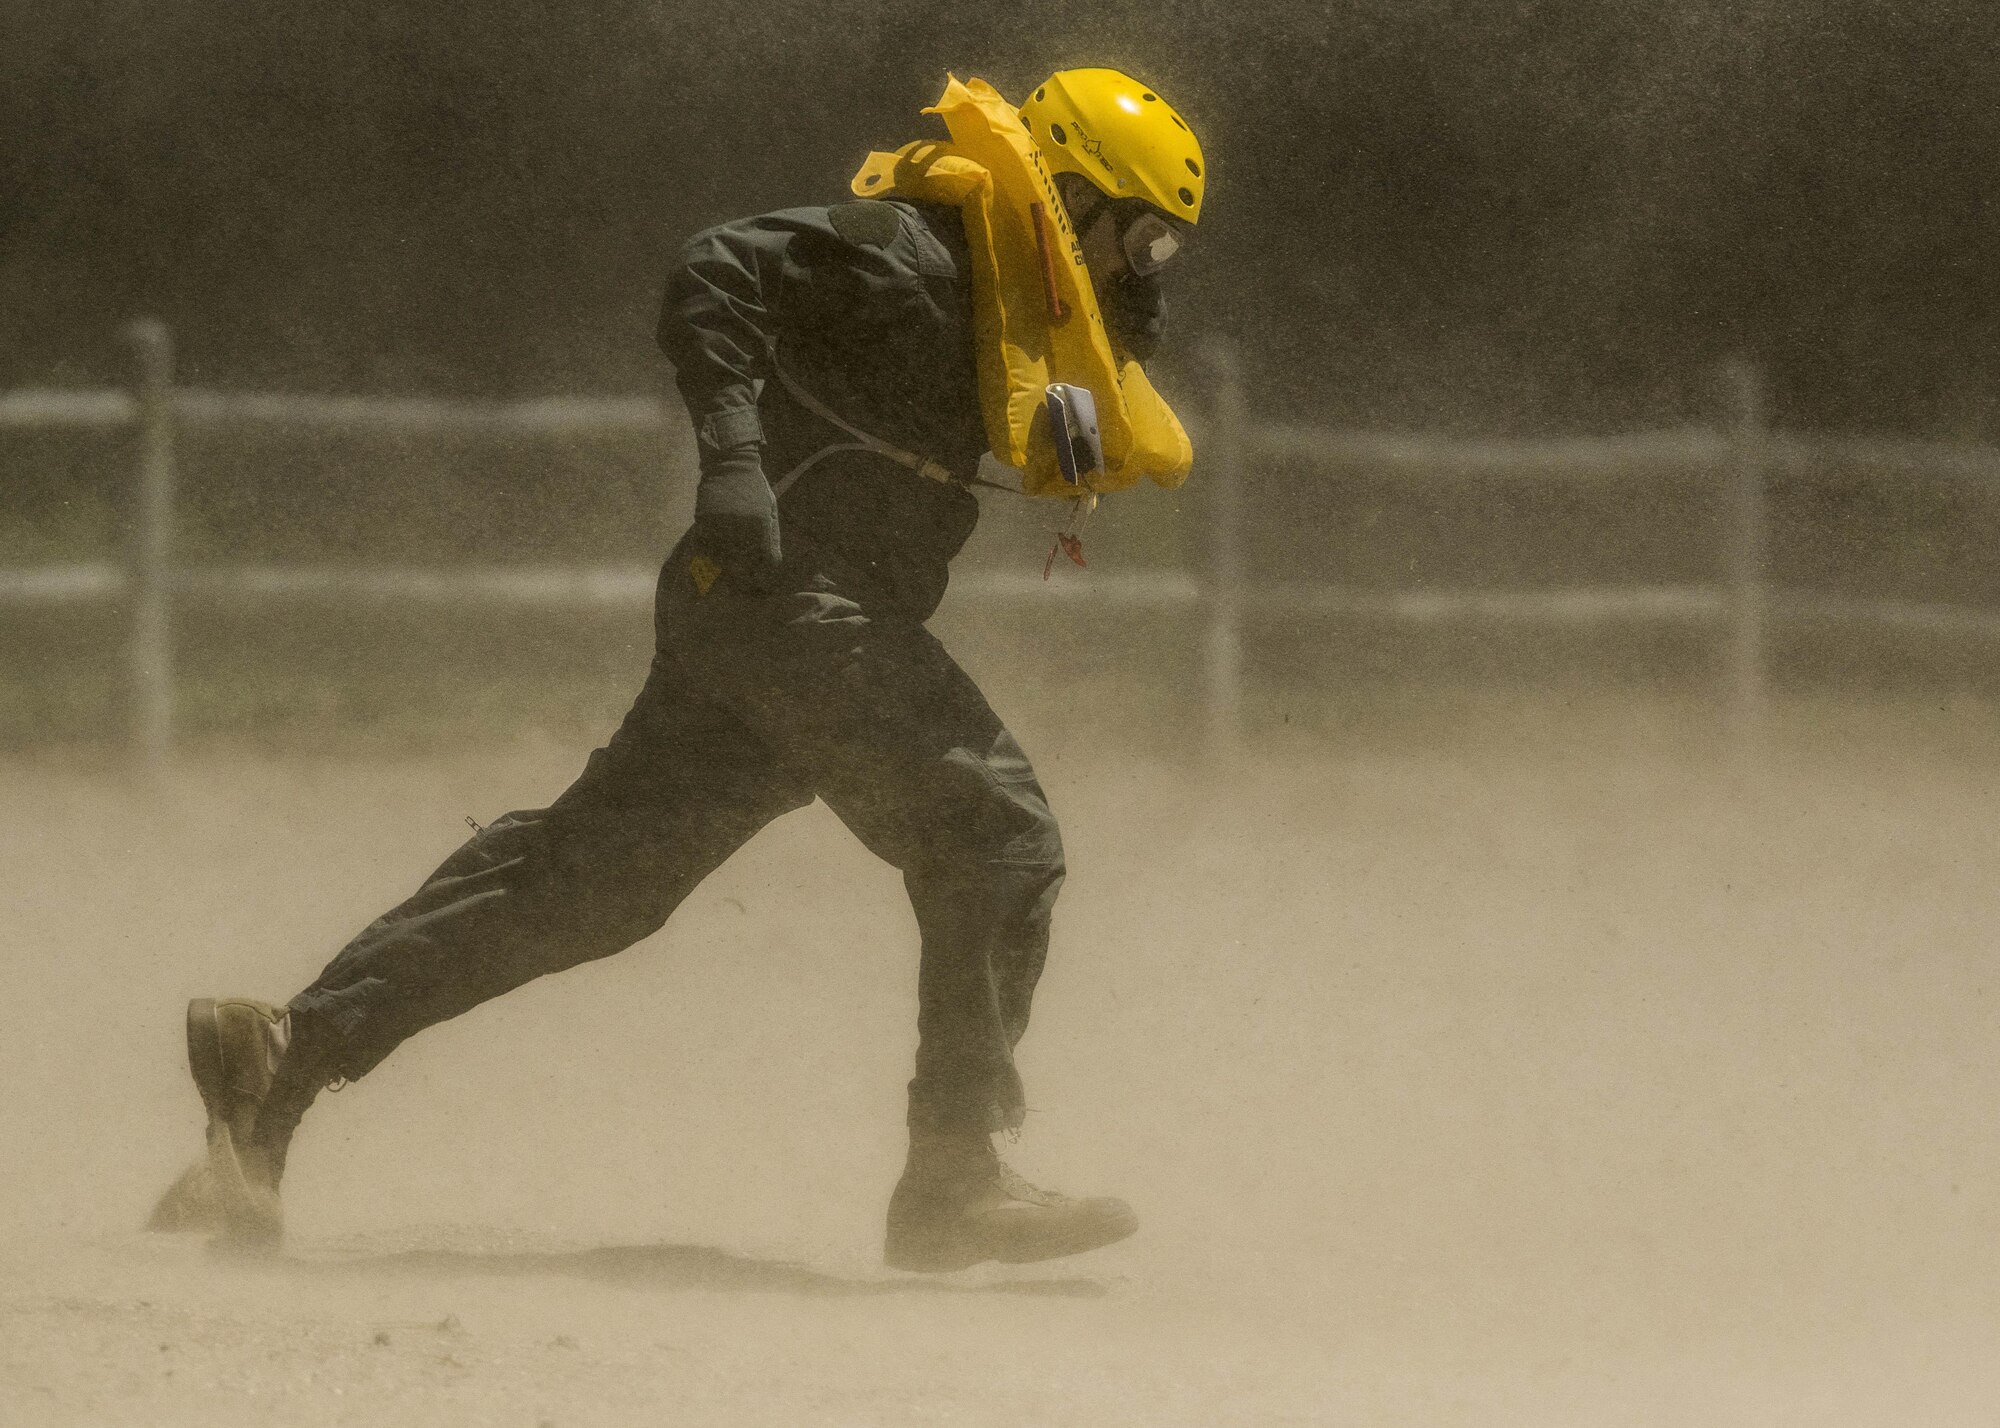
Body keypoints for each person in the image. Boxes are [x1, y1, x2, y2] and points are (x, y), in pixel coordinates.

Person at [150, 67, 1207, 1272]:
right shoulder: (900, 249)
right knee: (995, 835)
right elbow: (718, 265)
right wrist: (732, 457)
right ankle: (954, 1178)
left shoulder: (1005, 308)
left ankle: (278, 1063)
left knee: (589, 883)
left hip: (758, 622)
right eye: (1144, 237)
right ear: (1068, 197)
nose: (1147, 269)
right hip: (794, 605)